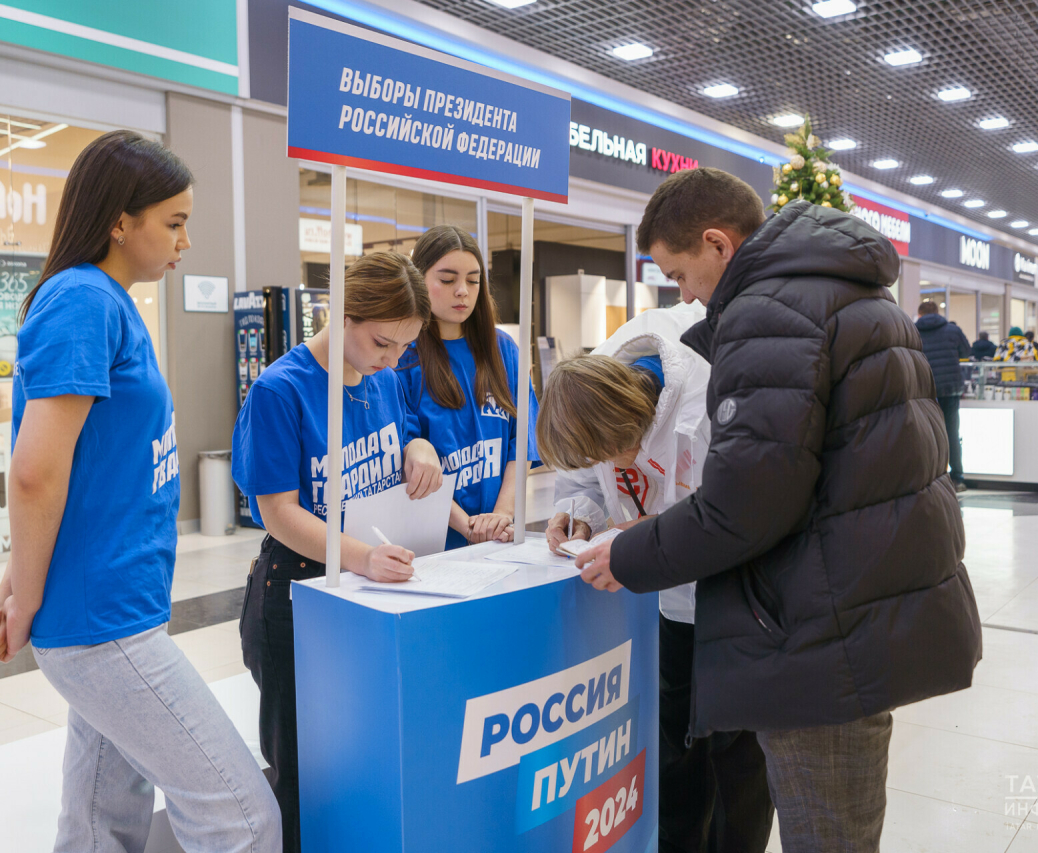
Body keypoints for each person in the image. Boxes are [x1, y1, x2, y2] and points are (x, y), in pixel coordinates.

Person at [575, 168, 982, 852]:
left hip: (818, 635)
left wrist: (628, 553)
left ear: (717, 244)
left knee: (824, 830)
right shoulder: (850, 294)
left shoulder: (770, 315)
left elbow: (746, 502)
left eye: (681, 273)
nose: (684, 294)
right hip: (855, 612)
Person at [0, 131, 282, 852]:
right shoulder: (82, 300)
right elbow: (34, 471)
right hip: (101, 621)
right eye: (173, 222)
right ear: (119, 221)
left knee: (102, 826)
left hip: (114, 609)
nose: (185, 241)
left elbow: (77, 475)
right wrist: (26, 597)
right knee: (244, 819)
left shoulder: (105, 301)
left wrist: (15, 581)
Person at [537, 303, 774, 853]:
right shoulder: (592, 394)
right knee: (675, 749)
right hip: (670, 605)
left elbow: (732, 514)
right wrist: (578, 511)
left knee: (737, 759)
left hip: (742, 604)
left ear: (635, 426)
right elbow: (589, 480)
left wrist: (648, 533)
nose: (610, 465)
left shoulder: (709, 398)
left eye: (611, 453)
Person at [233, 251, 443, 853]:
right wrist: (359, 558)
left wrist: (421, 447)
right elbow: (277, 511)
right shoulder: (281, 389)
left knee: (360, 758)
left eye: (404, 347)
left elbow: (403, 443)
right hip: (295, 595)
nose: (392, 359)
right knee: (303, 766)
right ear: (343, 314)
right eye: (382, 342)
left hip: (361, 588)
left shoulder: (382, 379)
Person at [397, 225, 535, 549]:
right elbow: (408, 462)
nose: (463, 291)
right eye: (447, 280)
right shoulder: (402, 359)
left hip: (501, 536)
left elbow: (523, 439)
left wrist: (501, 515)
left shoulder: (503, 351)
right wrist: (468, 526)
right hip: (432, 545)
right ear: (419, 280)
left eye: (473, 281)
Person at [916, 301, 971, 492]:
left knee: (927, 433)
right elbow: (966, 351)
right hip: (950, 388)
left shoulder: (914, 330)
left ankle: (931, 477)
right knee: (952, 433)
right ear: (937, 312)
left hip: (925, 390)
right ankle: (957, 478)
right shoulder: (952, 330)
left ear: (920, 314)